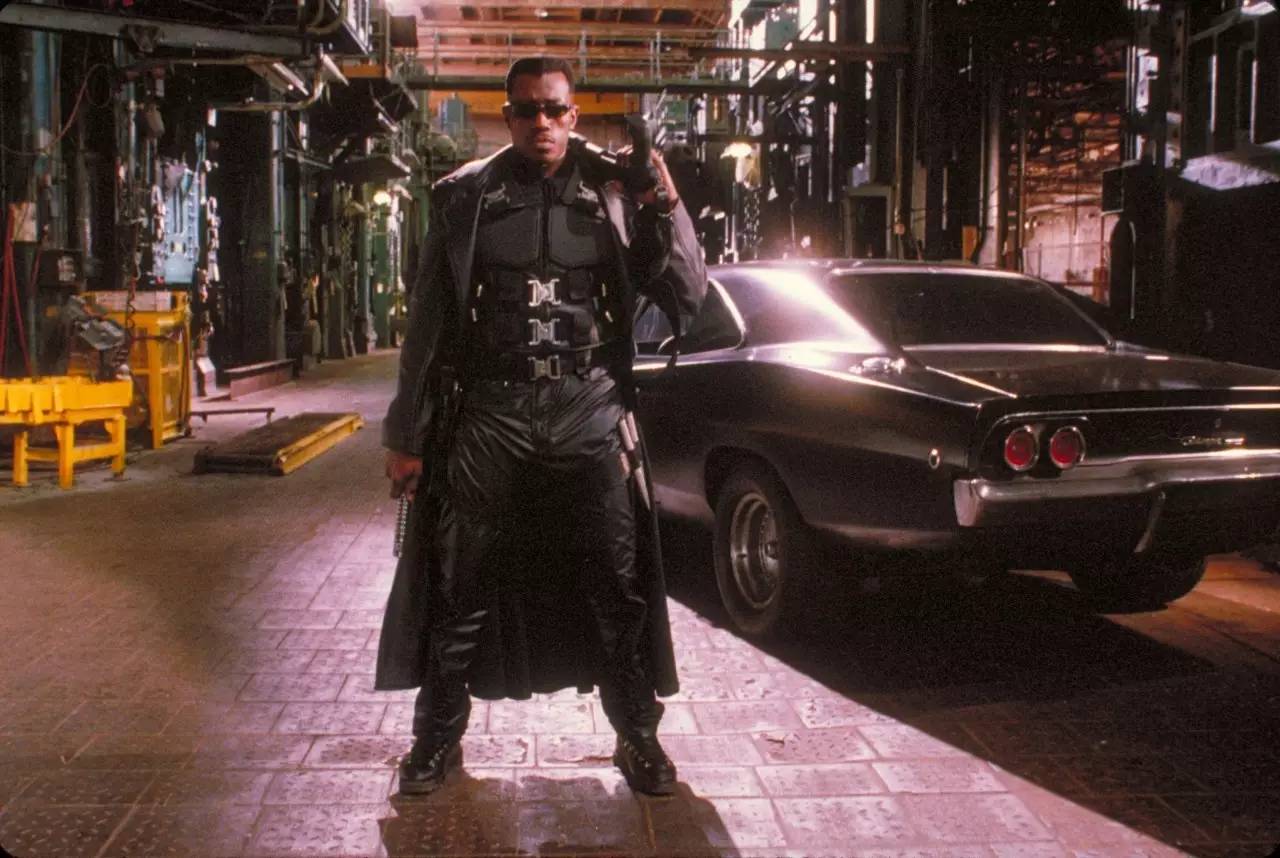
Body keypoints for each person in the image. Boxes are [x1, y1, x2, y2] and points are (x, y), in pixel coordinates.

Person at [375, 55, 707, 797]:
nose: (542, 123)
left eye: (555, 109)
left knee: (616, 581)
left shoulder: (616, 191)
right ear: (508, 116)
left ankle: (638, 737)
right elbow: (427, 326)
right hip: (491, 409)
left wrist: (662, 199)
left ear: (573, 114)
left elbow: (687, 293)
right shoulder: (465, 196)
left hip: (589, 404)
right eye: (526, 110)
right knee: (459, 581)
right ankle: (435, 739)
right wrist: (406, 435)